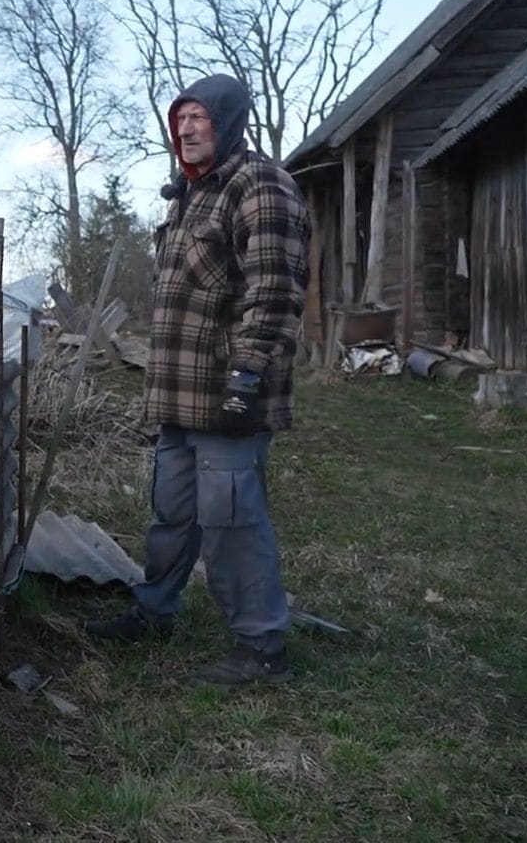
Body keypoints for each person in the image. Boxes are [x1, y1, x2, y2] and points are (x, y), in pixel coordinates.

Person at [84, 73, 310, 688]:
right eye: (179, 120)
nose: (185, 130)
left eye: (199, 119)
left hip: (228, 392)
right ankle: (155, 611)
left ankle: (261, 648)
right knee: (172, 513)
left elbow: (276, 289)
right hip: (180, 395)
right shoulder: (190, 195)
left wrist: (248, 373)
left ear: (228, 123)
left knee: (231, 521)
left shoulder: (260, 185)